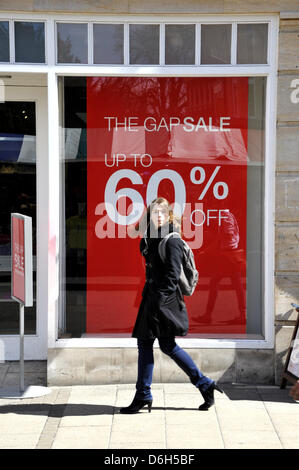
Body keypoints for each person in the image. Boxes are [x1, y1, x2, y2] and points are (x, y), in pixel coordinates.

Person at [119, 197, 223, 414]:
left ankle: (146, 394)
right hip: (152, 296)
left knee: (160, 345)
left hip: (164, 300)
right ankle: (202, 385)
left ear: (168, 216)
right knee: (156, 345)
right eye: (154, 212)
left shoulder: (172, 240)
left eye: (162, 213)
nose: (158, 216)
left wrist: (158, 299)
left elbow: (173, 275)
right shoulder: (150, 238)